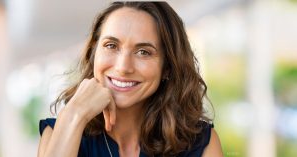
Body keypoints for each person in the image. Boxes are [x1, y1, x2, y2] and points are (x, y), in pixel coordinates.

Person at [38, 1, 223, 157]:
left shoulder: (201, 144)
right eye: (111, 45)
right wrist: (75, 114)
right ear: (94, 53)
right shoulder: (59, 131)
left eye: (143, 52)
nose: (123, 67)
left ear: (167, 67)